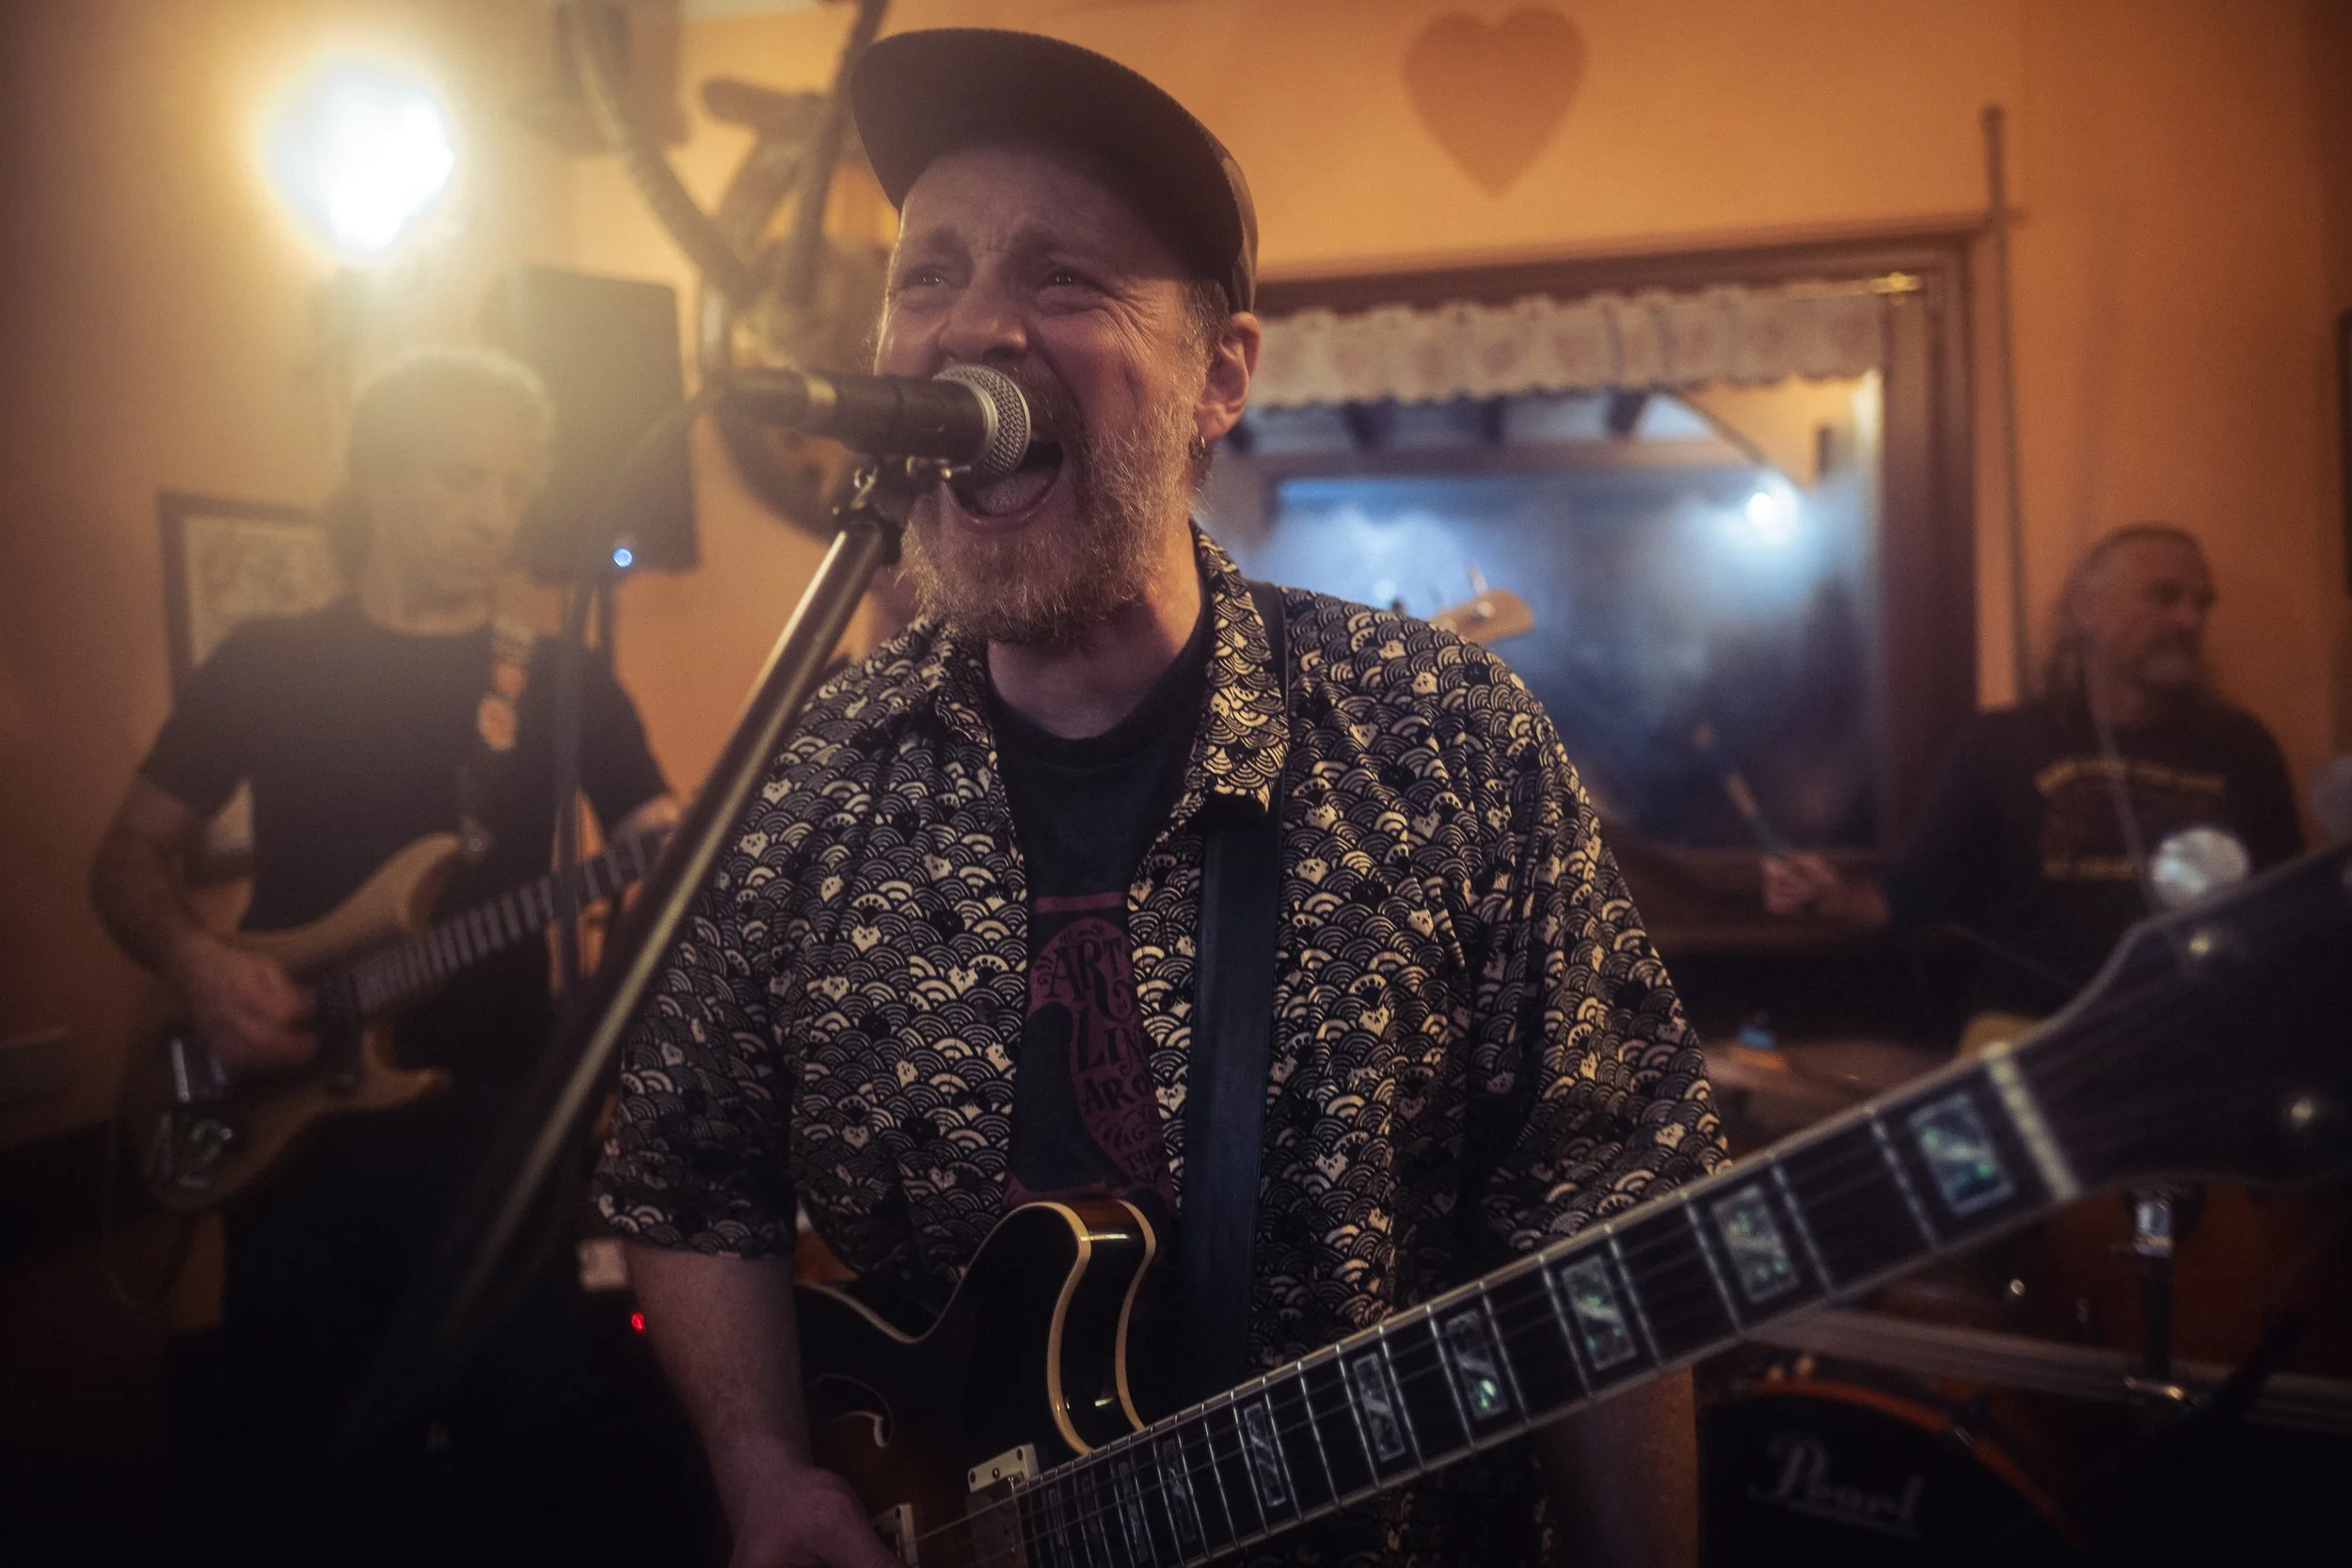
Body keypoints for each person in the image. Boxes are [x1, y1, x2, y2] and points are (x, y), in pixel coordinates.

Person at [595, 31, 1722, 1568]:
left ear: (1222, 379)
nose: (973, 325)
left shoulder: (1440, 740)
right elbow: (688, 1174)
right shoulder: (798, 776)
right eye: (927, 274)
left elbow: (1615, 1222)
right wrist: (760, 1471)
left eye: (1062, 277)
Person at [90, 347, 679, 1562]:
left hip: (499, 1137)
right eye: (461, 476)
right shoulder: (267, 663)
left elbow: (660, 850)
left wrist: (714, 854)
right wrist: (207, 970)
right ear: (374, 476)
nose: (494, 511)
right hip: (295, 1136)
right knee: (311, 1482)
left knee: (541, 1473)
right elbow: (128, 859)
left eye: (516, 483)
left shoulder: (561, 676)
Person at [1763, 524, 2303, 1022]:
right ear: (2086, 610)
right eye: (2164, 597)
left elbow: (2291, 910)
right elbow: (1910, 894)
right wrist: (1831, 896)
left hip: (2192, 1031)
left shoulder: (2242, 748)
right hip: (2034, 1036)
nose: (2189, 620)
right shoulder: (2000, 743)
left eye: (2200, 603)